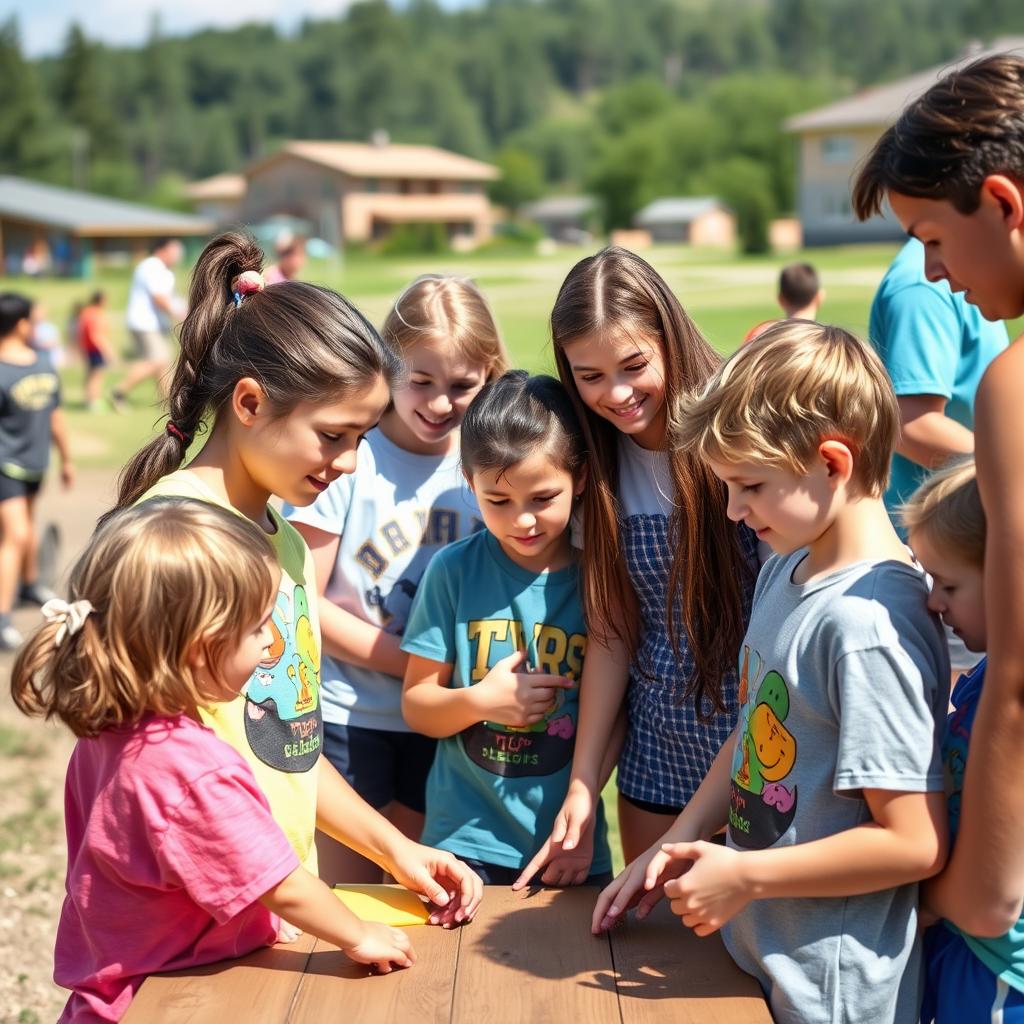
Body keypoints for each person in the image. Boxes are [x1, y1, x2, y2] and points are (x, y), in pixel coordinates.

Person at [106, 230, 483, 923]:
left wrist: (394, 848)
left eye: (362, 439)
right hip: (187, 928)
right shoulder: (175, 541)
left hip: (275, 912)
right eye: (333, 435)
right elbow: (146, 776)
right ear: (249, 403)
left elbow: (290, 745)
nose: (347, 463)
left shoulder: (282, 539)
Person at [593, 321, 949, 1024]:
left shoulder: (869, 626)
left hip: (834, 992)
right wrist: (675, 842)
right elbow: (759, 724)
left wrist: (747, 872)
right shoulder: (786, 561)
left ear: (832, 464)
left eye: (749, 485)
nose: (732, 510)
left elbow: (915, 842)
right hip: (761, 957)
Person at [12, 499, 417, 1023]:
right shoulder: (189, 765)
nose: (269, 644)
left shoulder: (114, 732)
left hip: (122, 987)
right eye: (257, 631)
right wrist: (357, 934)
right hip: (161, 1002)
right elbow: (281, 883)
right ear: (203, 649)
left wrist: (260, 924)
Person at [518, 247, 758, 887]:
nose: (617, 394)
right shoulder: (592, 462)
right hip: (658, 751)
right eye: (589, 376)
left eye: (634, 365)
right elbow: (612, 631)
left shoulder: (736, 429)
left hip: (761, 742)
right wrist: (583, 782)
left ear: (670, 340)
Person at [852, 51, 1024, 941]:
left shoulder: (1013, 386)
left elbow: (1019, 678)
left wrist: (978, 896)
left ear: (1002, 204)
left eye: (930, 240)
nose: (937, 272)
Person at [285, 275, 508, 883]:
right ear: (387, 365)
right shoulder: (351, 459)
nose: (440, 404)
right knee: (349, 886)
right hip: (350, 714)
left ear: (490, 373)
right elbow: (300, 596)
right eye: (421, 381)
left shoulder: (490, 467)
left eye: (462, 386)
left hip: (450, 721)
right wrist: (409, 663)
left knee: (416, 885)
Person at [401, 371, 613, 886]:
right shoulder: (452, 571)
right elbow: (417, 705)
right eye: (499, 501)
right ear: (470, 483)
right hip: (461, 845)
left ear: (579, 479)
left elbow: (615, 717)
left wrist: (580, 815)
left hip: (568, 846)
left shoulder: (601, 579)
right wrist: (483, 702)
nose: (523, 521)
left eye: (542, 498)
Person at [902, 458, 1024, 1022]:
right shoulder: (986, 677)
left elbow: (991, 906)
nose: (934, 602)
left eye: (949, 583)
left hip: (998, 974)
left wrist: (918, 901)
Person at [868, 238, 1006, 521]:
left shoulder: (956, 273)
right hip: (940, 537)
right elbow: (913, 424)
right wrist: (1011, 473)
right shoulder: (923, 287)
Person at [0, 294, 73, 650]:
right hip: (5, 465)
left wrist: (67, 459)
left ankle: (28, 584)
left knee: (28, 521)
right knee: (15, 534)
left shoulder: (43, 365)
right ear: (22, 324)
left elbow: (55, 417)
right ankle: (2, 620)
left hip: (34, 462)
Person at [115, 238, 186, 408]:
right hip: (146, 323)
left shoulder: (163, 270)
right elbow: (159, 298)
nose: (178, 256)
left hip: (155, 323)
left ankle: (169, 403)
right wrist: (180, 313)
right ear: (162, 250)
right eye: (174, 251)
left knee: (164, 363)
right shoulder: (152, 266)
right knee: (158, 360)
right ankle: (119, 391)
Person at [77, 291, 115, 413]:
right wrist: (106, 350)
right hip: (95, 349)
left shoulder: (86, 312)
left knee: (91, 375)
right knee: (97, 376)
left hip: (88, 348)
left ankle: (89, 400)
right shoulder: (96, 314)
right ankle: (94, 401)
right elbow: (96, 334)